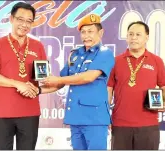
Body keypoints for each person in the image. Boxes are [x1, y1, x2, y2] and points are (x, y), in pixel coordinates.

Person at [40, 14, 114, 150]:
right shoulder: (75, 55)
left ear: (100, 32)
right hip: (75, 117)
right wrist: (38, 90)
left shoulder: (105, 53)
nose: (86, 36)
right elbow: (60, 82)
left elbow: (88, 77)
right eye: (83, 32)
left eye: (90, 32)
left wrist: (58, 79)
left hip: (95, 119)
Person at [0, 2, 47, 150]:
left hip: (30, 112)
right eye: (20, 19)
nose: (24, 24)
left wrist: (40, 86)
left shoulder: (38, 46)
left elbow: (43, 78)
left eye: (29, 21)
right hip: (3, 112)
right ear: (11, 19)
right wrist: (18, 83)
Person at [107, 21, 165, 150]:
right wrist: (105, 114)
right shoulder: (115, 61)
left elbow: (164, 87)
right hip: (120, 123)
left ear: (147, 37)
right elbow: (109, 88)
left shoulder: (156, 60)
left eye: (138, 34)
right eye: (130, 34)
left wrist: (163, 101)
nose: (133, 37)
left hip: (148, 124)